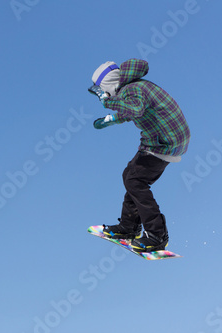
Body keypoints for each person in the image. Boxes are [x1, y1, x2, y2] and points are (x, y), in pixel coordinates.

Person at [88, 58, 190, 252]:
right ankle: (129, 227)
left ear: (108, 85)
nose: (102, 96)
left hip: (165, 142)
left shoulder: (132, 90)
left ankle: (157, 235)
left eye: (101, 91)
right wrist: (110, 120)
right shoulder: (133, 89)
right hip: (163, 139)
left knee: (135, 181)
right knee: (130, 176)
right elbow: (132, 110)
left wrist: (107, 101)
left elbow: (134, 108)